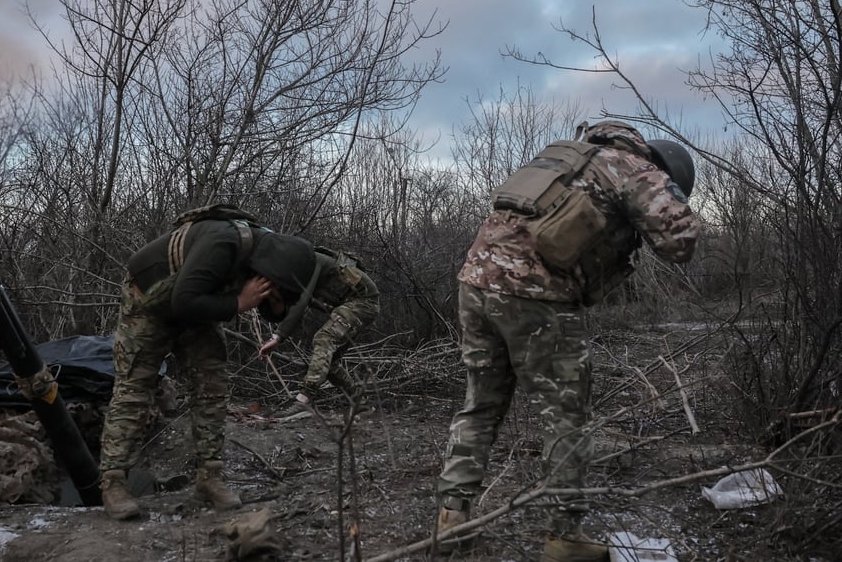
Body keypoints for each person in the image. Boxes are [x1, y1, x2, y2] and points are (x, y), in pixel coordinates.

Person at [434, 120, 702, 561]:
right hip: (535, 296)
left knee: (480, 405)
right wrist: (660, 201)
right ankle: (563, 537)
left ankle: (452, 519)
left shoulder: (563, 156)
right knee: (566, 417)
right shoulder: (634, 167)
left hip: (475, 284)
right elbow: (680, 242)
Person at [98, 212, 317, 520]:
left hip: (194, 305)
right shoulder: (225, 243)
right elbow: (184, 300)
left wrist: (273, 302)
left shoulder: (265, 255)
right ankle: (114, 482)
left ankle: (209, 477)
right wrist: (240, 303)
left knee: (212, 383)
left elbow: (272, 308)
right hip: (149, 301)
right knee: (135, 387)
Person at [257, 246, 380, 413]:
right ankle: (361, 403)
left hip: (364, 302)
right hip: (357, 304)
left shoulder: (312, 261)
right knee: (329, 362)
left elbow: (301, 301)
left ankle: (303, 400)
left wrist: (278, 336)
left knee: (324, 339)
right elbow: (295, 304)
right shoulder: (299, 270)